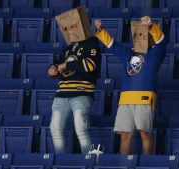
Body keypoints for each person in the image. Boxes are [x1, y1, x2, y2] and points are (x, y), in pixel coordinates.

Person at [95, 16, 166, 154]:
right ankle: (124, 165)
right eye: (137, 34)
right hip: (126, 99)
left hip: (144, 97)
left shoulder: (155, 52)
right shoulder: (129, 54)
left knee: (145, 133)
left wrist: (151, 25)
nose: (139, 36)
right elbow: (112, 45)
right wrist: (100, 29)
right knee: (125, 135)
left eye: (142, 33)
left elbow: (161, 40)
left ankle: (146, 164)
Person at [48, 7, 101, 154]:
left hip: (81, 93)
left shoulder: (92, 43)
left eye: (73, 25)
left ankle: (88, 161)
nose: (70, 29)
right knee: (55, 128)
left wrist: (65, 65)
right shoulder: (67, 48)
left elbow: (90, 65)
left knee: (81, 128)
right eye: (68, 27)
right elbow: (59, 67)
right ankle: (60, 160)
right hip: (62, 94)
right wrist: (53, 69)